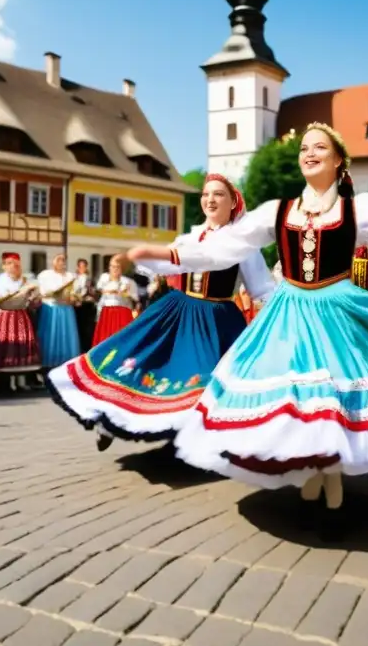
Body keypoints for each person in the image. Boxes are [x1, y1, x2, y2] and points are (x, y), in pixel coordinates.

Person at [128, 123, 368, 539]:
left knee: (333, 396)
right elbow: (222, 247)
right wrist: (161, 254)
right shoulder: (277, 211)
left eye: (319, 147)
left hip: (338, 311)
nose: (309, 153)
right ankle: (314, 474)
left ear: (338, 161)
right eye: (303, 148)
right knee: (297, 397)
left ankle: (329, 488)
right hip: (289, 315)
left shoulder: (357, 209)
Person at [49, 174, 274, 452]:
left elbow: (261, 288)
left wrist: (279, 318)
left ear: (233, 202)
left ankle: (201, 439)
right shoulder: (191, 237)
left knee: (205, 378)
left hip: (217, 319)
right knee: (138, 355)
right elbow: (168, 265)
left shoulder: (244, 245)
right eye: (206, 194)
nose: (210, 199)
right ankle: (111, 417)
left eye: (218, 194)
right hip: (180, 309)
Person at [0, 253, 41, 392]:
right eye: (11, 263)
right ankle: (4, 383)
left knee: (23, 346)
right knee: (6, 346)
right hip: (6, 315)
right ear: (5, 266)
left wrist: (33, 295)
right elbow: (2, 298)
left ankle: (21, 381)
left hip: (21, 315)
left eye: (17, 264)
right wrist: (23, 291)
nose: (15, 266)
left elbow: (33, 299)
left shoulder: (26, 280)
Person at [37, 254, 81, 369]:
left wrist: (73, 297)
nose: (61, 262)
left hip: (66, 309)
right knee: (51, 334)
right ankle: (49, 362)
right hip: (51, 308)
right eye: (58, 260)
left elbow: (75, 292)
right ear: (53, 262)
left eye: (63, 260)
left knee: (66, 334)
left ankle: (66, 360)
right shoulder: (45, 275)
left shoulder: (70, 276)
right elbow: (43, 291)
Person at [92, 257, 138, 345]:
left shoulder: (128, 281)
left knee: (121, 338)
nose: (115, 269)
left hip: (122, 312)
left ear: (122, 269)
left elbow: (135, 298)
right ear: (109, 267)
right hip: (106, 312)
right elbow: (98, 290)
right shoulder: (104, 278)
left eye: (117, 267)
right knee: (105, 338)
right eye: (112, 266)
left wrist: (126, 293)